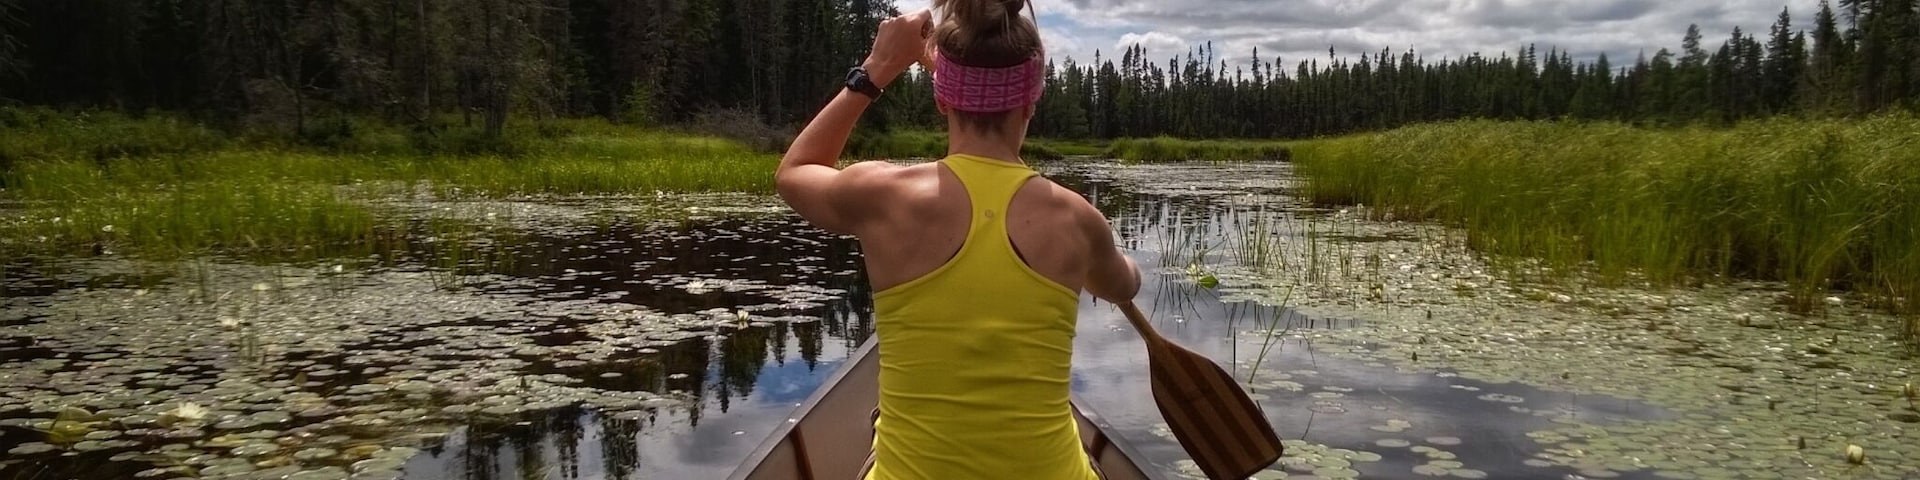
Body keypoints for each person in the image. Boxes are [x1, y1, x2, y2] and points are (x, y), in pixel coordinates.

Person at [774, 0, 1142, 478]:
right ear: (1032, 100)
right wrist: (1124, 265)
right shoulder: (1077, 219)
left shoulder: (883, 196)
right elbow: (1122, 287)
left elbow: (794, 172)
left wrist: (876, 69)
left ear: (941, 100)